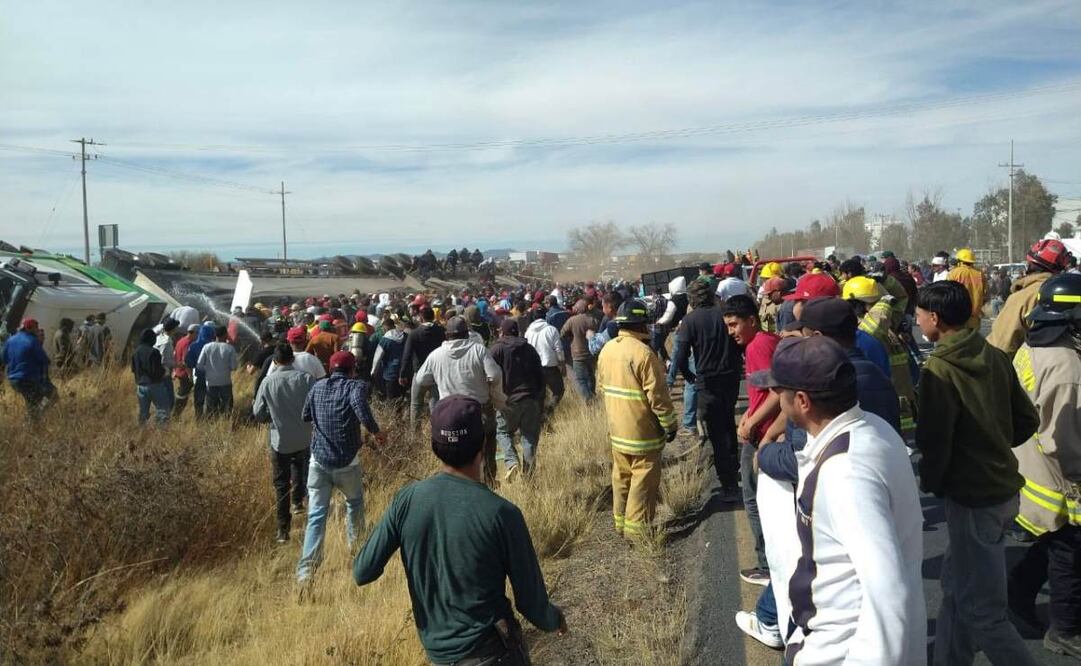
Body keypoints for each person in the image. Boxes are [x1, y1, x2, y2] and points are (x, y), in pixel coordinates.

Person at [749, 336, 926, 664]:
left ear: (802, 401)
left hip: (837, 650)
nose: (778, 402)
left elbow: (887, 591)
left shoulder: (845, 473)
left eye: (779, 392)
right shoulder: (874, 429)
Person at [354, 395, 566, 664]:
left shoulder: (406, 501)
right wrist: (554, 619)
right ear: (483, 443)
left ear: (434, 446)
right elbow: (531, 605)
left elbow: (363, 571)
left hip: (439, 657)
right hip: (492, 652)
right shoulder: (502, 513)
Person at [914, 280, 1040, 666]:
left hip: (972, 497)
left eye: (919, 315)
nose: (917, 321)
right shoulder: (994, 355)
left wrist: (932, 481)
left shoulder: (939, 369)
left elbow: (936, 441)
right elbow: (1027, 420)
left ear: (935, 318)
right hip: (1003, 489)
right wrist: (994, 445)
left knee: (984, 612)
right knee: (956, 589)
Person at [1005, 273, 1081, 658]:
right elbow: (1063, 441)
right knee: (1071, 552)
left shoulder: (1033, 345)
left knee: (1053, 539)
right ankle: (1064, 630)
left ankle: (1016, 593)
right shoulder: (1068, 368)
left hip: (1029, 465)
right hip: (1059, 476)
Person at [297, 351, 385, 584]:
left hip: (318, 462)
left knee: (316, 516)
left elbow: (305, 415)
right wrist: (376, 432)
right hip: (347, 462)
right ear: (353, 369)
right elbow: (361, 410)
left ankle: (306, 573)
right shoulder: (355, 387)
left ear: (330, 368)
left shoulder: (317, 387)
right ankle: (357, 555)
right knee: (354, 505)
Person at [597, 299, 678, 537]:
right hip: (643, 434)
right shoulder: (644, 354)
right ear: (642, 324)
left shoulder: (607, 349)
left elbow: (601, 387)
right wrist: (670, 425)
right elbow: (658, 397)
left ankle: (620, 523)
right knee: (643, 481)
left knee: (621, 478)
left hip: (617, 432)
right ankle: (637, 533)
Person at [722, 295, 779, 586]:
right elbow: (763, 391)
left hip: (763, 435)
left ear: (752, 321)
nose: (731, 332)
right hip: (763, 430)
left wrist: (753, 423)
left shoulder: (758, 346)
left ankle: (767, 565)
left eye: (734, 325)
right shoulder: (765, 341)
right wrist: (749, 414)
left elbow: (778, 392)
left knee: (755, 501)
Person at [411, 316, 507, 484]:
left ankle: (457, 486)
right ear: (466, 334)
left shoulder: (436, 355)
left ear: (447, 335)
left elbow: (420, 379)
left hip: (450, 414)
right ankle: (489, 484)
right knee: (486, 450)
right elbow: (495, 374)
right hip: (479, 409)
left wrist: (439, 379)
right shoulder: (478, 350)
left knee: (455, 456)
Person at [674, 279, 742, 501]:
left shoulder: (690, 320)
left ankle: (729, 484)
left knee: (716, 432)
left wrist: (689, 377)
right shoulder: (725, 314)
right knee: (728, 422)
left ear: (691, 300)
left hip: (707, 381)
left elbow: (681, 356)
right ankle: (734, 465)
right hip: (730, 377)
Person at [253, 344, 316, 544]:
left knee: (281, 483)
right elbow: (315, 404)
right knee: (301, 468)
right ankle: (298, 503)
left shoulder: (268, 381)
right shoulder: (307, 379)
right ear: (292, 359)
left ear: (274, 361)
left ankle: (283, 529)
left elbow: (258, 413)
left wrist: (272, 418)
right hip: (304, 437)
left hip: (279, 439)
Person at [988, 238, 1072, 357]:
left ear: (1029, 264)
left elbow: (1001, 345)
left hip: (1027, 365)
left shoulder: (1023, 297)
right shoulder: (1068, 293)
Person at [490, 319, 545, 480]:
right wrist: (539, 399)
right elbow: (540, 376)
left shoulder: (497, 349)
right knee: (529, 437)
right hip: (530, 399)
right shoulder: (529, 349)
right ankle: (529, 477)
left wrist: (493, 396)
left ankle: (511, 461)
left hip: (508, 401)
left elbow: (489, 374)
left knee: (502, 432)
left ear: (502, 332)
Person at [2, 318, 53, 419]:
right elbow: (44, 360)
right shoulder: (32, 341)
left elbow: (4, 358)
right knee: (49, 396)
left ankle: (33, 418)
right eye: (36, 328)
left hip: (13, 380)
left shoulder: (10, 340)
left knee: (32, 401)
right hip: (28, 379)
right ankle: (32, 421)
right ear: (29, 328)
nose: (37, 330)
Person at [524, 311, 565, 416]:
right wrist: (562, 364)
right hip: (550, 367)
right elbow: (558, 349)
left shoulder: (528, 332)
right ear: (545, 317)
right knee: (558, 391)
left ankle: (540, 417)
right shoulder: (551, 329)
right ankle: (548, 410)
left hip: (534, 368)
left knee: (540, 395)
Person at [399, 305, 445, 393]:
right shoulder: (440, 331)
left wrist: (402, 374)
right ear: (433, 317)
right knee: (436, 398)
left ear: (421, 318)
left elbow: (407, 354)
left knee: (416, 400)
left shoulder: (414, 333)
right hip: (436, 370)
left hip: (419, 369)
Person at [131, 328, 172, 425]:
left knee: (143, 412)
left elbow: (133, 369)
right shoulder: (154, 352)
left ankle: (141, 430)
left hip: (140, 386)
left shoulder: (135, 352)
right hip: (155, 385)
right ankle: (161, 431)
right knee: (162, 410)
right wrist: (165, 370)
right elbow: (156, 371)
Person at [196, 325, 238, 418]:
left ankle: (211, 423)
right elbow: (234, 367)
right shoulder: (229, 348)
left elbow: (199, 365)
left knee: (211, 407)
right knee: (227, 407)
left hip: (211, 382)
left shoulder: (207, 347)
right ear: (225, 334)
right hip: (225, 381)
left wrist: (208, 369)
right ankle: (226, 422)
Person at [560, 299, 598, 401]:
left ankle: (588, 399)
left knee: (581, 379)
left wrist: (570, 336)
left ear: (578, 308)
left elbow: (562, 333)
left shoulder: (572, 320)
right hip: (591, 352)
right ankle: (593, 394)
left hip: (578, 354)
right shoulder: (593, 319)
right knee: (591, 376)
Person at [372, 315, 408, 405]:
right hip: (404, 372)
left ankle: (393, 413)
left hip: (390, 373)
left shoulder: (385, 340)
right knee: (402, 397)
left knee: (391, 399)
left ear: (385, 328)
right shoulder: (405, 336)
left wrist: (373, 372)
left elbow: (377, 357)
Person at [947, 248, 986, 329]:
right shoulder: (980, 274)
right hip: (974, 317)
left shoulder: (953, 273)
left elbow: (948, 294)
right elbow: (985, 293)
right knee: (972, 337)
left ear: (959, 261)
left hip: (957, 316)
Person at [185, 323, 217, 419]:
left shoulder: (194, 346)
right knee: (211, 400)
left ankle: (198, 419)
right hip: (213, 378)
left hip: (200, 377)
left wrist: (190, 376)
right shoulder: (215, 346)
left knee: (199, 400)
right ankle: (210, 419)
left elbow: (188, 362)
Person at [173, 324, 199, 416]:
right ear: (193, 333)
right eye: (198, 334)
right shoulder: (188, 343)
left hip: (179, 371)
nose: (198, 336)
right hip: (185, 374)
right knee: (182, 396)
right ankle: (176, 415)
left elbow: (175, 355)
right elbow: (186, 361)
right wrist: (190, 376)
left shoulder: (181, 340)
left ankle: (176, 414)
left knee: (182, 394)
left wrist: (174, 371)